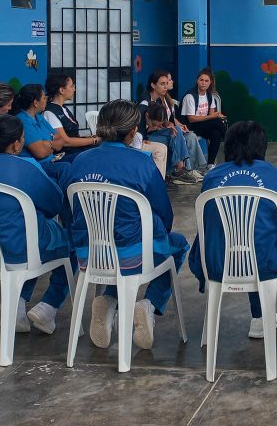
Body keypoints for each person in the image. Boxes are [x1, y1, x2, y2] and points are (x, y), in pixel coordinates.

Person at [60, 100, 189, 351]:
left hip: (88, 255)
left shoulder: (78, 162)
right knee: (176, 244)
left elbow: (68, 212)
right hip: (132, 256)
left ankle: (108, 300)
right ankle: (149, 305)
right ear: (133, 132)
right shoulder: (142, 163)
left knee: (110, 243)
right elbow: (165, 214)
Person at [0, 115, 74, 334]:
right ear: (16, 144)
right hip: (17, 249)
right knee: (66, 244)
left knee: (31, 236)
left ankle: (16, 308)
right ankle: (48, 307)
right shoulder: (25, 167)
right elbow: (54, 204)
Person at [188, 120, 277, 339]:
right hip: (265, 265)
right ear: (262, 147)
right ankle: (260, 317)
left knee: (239, 238)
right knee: (260, 240)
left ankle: (256, 318)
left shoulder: (211, 178)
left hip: (216, 262)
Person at [139, 70, 202, 185]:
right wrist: (143, 137)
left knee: (176, 130)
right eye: (162, 84)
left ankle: (180, 169)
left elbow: (161, 119)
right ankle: (178, 170)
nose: (165, 87)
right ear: (153, 85)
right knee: (173, 137)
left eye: (166, 83)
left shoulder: (159, 99)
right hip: (145, 137)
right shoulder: (145, 99)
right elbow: (139, 120)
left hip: (155, 132)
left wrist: (168, 124)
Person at [12, 84, 72, 179]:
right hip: (36, 167)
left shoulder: (38, 117)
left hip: (52, 160)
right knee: (66, 168)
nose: (46, 100)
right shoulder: (22, 121)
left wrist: (47, 144)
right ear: (36, 103)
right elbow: (41, 153)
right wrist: (52, 144)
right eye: (44, 98)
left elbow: (60, 141)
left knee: (80, 159)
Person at [43, 73, 100, 158]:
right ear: (61, 90)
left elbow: (72, 135)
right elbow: (65, 141)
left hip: (75, 150)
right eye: (71, 86)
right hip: (66, 154)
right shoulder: (50, 112)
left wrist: (91, 137)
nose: (74, 89)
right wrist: (93, 140)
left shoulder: (63, 108)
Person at [181, 67, 227, 168]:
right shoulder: (190, 96)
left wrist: (216, 116)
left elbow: (212, 115)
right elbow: (191, 119)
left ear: (210, 83)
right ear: (197, 81)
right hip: (190, 127)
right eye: (201, 80)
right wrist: (213, 116)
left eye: (206, 81)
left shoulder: (209, 96)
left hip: (203, 126)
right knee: (217, 122)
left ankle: (210, 164)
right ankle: (231, 141)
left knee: (216, 133)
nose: (203, 83)